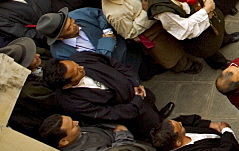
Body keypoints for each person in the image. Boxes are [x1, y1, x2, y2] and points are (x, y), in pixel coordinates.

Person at [84, 0, 199, 74]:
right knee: (169, 53)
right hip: (150, 34)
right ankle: (184, 66)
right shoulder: (115, 13)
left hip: (158, 21)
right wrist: (147, 11)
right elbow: (129, 33)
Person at [41, 52, 172, 137]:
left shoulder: (80, 58)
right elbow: (111, 113)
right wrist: (137, 100)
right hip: (133, 115)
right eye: (76, 72)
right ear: (67, 85)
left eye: (77, 65)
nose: (81, 68)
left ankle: (159, 115)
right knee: (153, 128)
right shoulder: (72, 103)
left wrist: (134, 82)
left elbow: (113, 63)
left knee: (152, 106)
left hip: (136, 91)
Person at [145, 0, 239, 70]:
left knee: (219, 28)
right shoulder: (162, 9)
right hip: (197, 32)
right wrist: (204, 11)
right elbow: (184, 27)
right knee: (208, 49)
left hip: (210, 16)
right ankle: (220, 63)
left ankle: (225, 40)